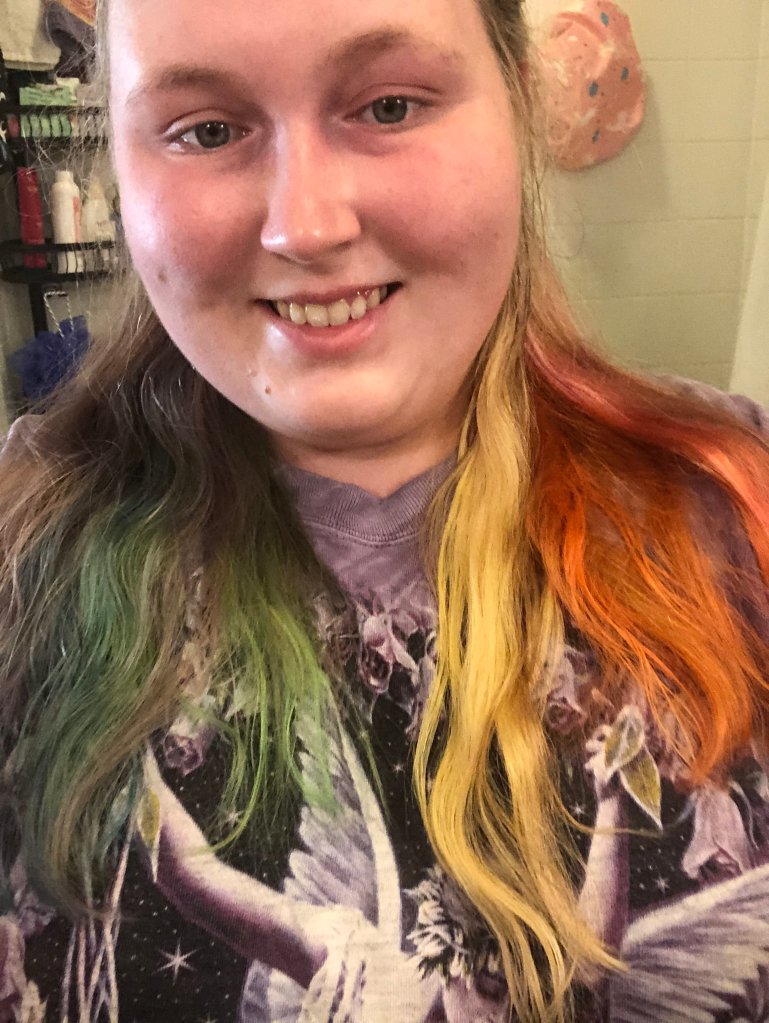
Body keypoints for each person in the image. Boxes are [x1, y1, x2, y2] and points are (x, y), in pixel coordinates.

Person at [1, 0, 768, 1021]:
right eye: (207, 130)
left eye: (390, 106)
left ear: (516, 108)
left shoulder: (735, 504)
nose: (305, 226)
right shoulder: (24, 548)